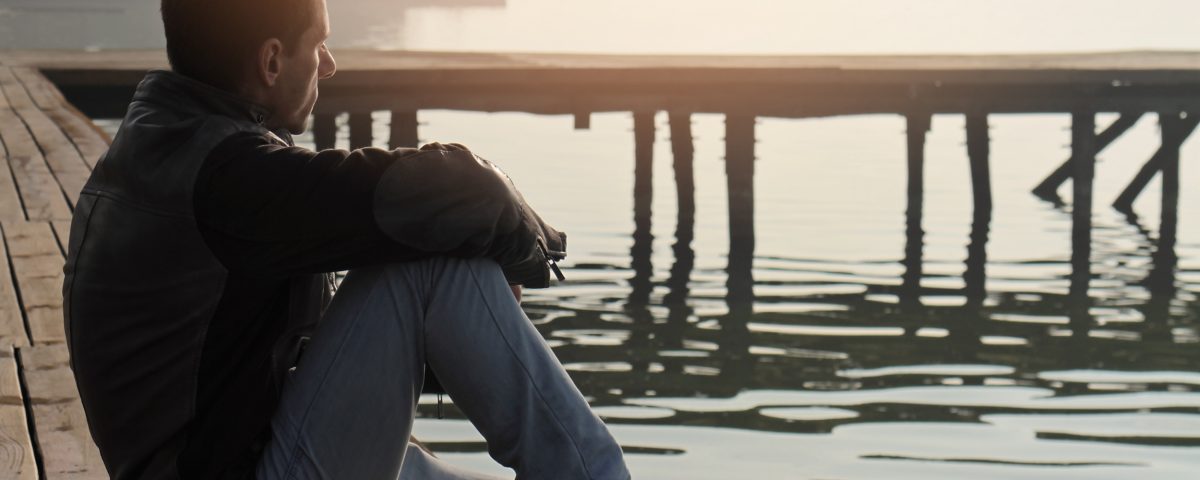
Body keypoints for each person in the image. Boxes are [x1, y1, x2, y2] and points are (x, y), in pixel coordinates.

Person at [61, 0, 631, 478]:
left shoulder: (164, 144)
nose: (329, 64)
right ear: (272, 60)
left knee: (414, 240)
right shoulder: (229, 178)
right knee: (428, 261)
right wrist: (526, 255)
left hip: (240, 449)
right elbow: (468, 190)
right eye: (320, 45)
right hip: (237, 466)